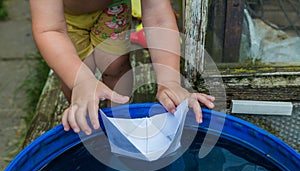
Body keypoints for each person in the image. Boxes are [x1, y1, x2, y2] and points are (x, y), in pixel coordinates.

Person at [30, 0, 215, 135]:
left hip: (112, 9)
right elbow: (50, 29)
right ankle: (82, 114)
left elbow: (159, 17)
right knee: (74, 73)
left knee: (116, 65)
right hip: (63, 19)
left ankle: (119, 121)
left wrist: (169, 81)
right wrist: (81, 82)